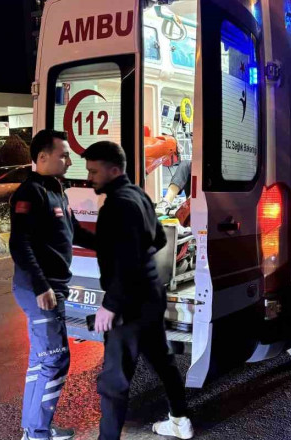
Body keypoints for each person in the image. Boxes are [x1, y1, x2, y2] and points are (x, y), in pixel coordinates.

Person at [79, 141, 193, 440]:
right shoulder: (138, 196)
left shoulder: (119, 205)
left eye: (94, 171)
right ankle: (180, 420)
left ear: (114, 170)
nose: (89, 177)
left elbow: (127, 259)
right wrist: (76, 233)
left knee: (114, 381)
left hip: (128, 305)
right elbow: (156, 239)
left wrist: (110, 305)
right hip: (150, 296)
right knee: (163, 361)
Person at [9, 129, 83, 440]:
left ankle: (34, 428)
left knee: (43, 359)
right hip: (39, 288)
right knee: (54, 358)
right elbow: (19, 243)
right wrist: (41, 287)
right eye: (63, 154)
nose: (69, 159)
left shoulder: (57, 190)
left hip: (53, 285)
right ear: (42, 158)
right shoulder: (31, 193)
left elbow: (75, 232)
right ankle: (37, 432)